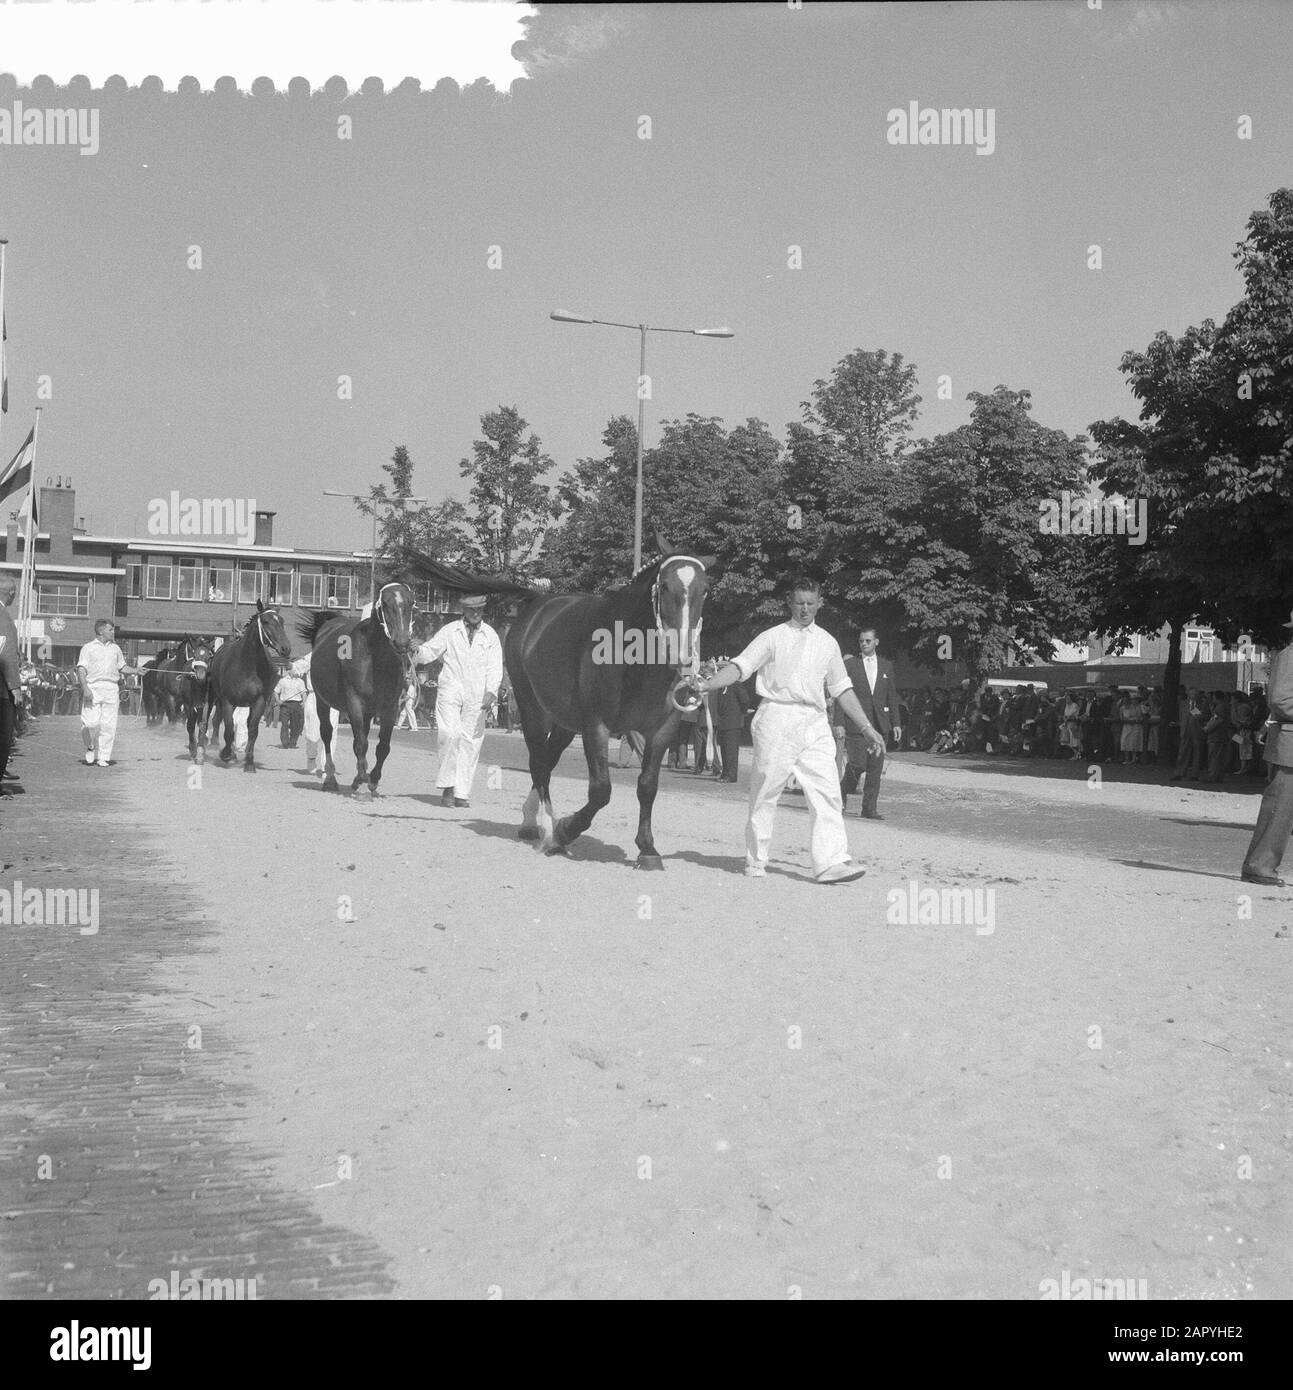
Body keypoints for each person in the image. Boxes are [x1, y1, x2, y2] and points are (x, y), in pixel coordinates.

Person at [694, 577, 885, 884]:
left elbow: (842, 688)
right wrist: (707, 683)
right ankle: (756, 860)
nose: (805, 609)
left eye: (811, 603)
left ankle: (831, 862)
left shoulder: (828, 643)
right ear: (789, 603)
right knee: (765, 792)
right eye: (800, 603)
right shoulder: (771, 637)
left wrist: (866, 727)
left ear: (820, 603)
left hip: (815, 720)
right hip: (776, 718)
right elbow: (741, 666)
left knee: (827, 791)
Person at [414, 594, 503, 808]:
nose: (475, 614)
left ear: (483, 611)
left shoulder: (490, 635)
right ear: (463, 610)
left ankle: (462, 793)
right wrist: (415, 649)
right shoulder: (450, 630)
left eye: (479, 610)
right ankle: (448, 786)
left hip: (477, 693)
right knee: (449, 734)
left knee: (471, 742)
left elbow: (495, 666)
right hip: (451, 688)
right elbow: (430, 651)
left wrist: (492, 691)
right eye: (471, 610)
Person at [1241, 613, 1293, 887]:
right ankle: (1258, 865)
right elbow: (1280, 700)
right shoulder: (1289, 656)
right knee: (1280, 808)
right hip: (1289, 745)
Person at [839, 627, 899, 820]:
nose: (864, 644)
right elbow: (841, 694)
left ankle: (869, 808)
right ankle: (841, 792)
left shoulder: (886, 666)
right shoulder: (851, 666)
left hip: (880, 725)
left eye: (868, 641)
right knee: (858, 764)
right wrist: (838, 722)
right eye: (861, 641)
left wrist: (896, 723)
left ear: (876, 642)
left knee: (875, 769)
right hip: (856, 725)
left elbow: (891, 696)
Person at [76, 619, 141, 768]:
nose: (113, 632)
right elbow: (81, 669)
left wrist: (136, 670)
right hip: (93, 686)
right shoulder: (88, 648)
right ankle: (90, 747)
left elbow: (122, 667)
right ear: (101, 631)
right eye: (110, 629)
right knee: (90, 723)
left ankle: (104, 757)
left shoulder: (116, 649)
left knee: (108, 725)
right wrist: (85, 688)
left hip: (111, 688)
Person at [0, 576, 21, 795]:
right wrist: (15, 686)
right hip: (1, 690)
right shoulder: (3, 615)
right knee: (3, 736)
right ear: (12, 593)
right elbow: (6, 654)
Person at [711, 666, 751, 782]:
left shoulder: (736, 684)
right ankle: (725, 773)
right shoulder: (721, 686)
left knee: (731, 750)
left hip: (733, 722)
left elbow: (745, 700)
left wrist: (742, 712)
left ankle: (731, 775)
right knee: (724, 749)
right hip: (723, 722)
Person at [1170, 690, 1205, 781]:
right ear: (1188, 695)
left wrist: (1197, 714)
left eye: (1195, 694)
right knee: (1183, 752)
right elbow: (1182, 717)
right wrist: (1178, 724)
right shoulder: (1183, 704)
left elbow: (1205, 716)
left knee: (1197, 752)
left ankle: (1195, 774)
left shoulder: (1202, 704)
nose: (1193, 696)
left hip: (1197, 730)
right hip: (1185, 730)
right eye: (1192, 694)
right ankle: (1179, 773)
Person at [1201, 692, 1232, 783]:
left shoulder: (1219, 708)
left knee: (1214, 756)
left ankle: (1212, 776)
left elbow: (1217, 720)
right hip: (1222, 735)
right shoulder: (1225, 706)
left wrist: (1207, 728)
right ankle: (1218, 776)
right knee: (1220, 757)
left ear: (1215, 698)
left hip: (1216, 735)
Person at [273, 666, 307, 748]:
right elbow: (275, 691)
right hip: (285, 705)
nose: (296, 671)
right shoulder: (282, 681)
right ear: (289, 671)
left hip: (296, 704)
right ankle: (285, 742)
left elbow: (304, 693)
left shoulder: (300, 681)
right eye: (294, 669)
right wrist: (278, 701)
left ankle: (293, 742)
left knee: (295, 725)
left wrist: (304, 702)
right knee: (284, 724)